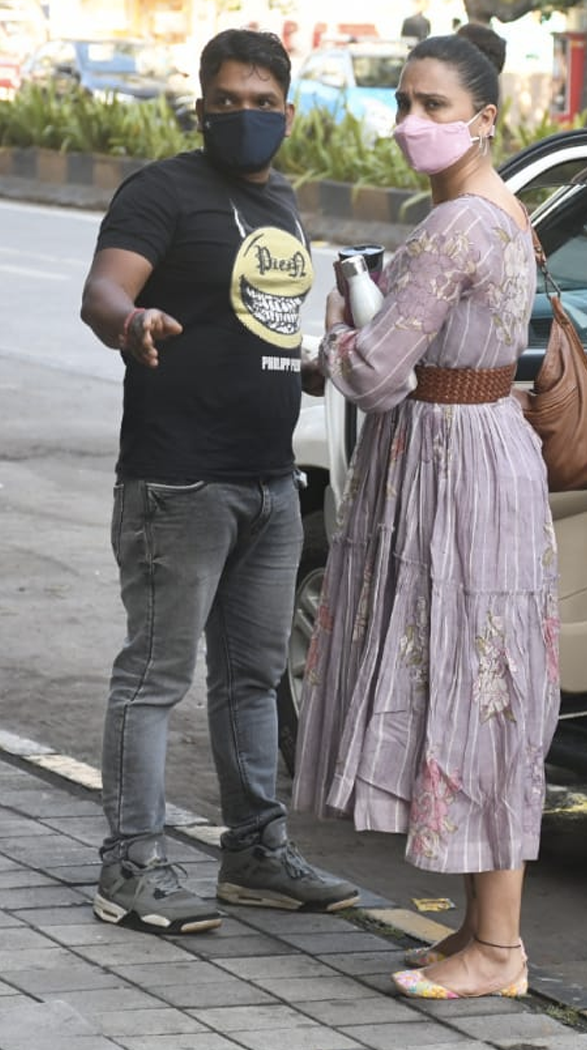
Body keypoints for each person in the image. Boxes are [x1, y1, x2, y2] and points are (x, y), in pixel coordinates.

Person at [292, 31, 560, 999]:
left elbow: (372, 371)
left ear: (485, 119)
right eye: (404, 103)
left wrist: (334, 333)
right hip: (476, 448)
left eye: (433, 107)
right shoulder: (494, 208)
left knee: (479, 687)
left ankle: (499, 950)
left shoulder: (453, 226)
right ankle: (477, 931)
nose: (411, 123)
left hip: (453, 462)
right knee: (476, 680)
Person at [80, 27, 359, 935]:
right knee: (153, 678)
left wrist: (307, 363)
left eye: (262, 103)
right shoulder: (162, 191)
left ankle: (255, 853)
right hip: (180, 480)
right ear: (201, 107)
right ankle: (130, 862)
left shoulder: (281, 203)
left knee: (251, 678)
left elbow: (264, 322)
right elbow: (102, 293)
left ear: (289, 111)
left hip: (271, 481)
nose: (245, 117)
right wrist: (134, 321)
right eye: (227, 102)